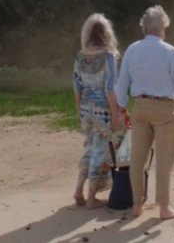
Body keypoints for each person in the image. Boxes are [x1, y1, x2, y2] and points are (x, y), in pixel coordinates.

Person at [114, 5, 174, 220]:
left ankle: (136, 204)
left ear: (144, 27)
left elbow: (122, 82)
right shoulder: (169, 51)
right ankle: (164, 207)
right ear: (162, 27)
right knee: (164, 160)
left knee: (137, 158)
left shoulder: (133, 49)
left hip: (140, 107)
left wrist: (122, 107)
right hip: (164, 109)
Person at [72, 13, 125, 209]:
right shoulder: (108, 56)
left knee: (89, 148)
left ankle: (79, 190)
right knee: (100, 152)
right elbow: (110, 88)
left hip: (86, 108)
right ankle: (92, 197)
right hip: (104, 110)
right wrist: (115, 115)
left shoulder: (80, 55)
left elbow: (77, 86)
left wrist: (80, 110)